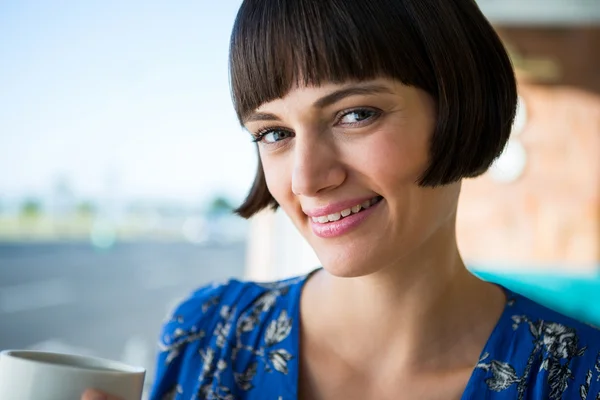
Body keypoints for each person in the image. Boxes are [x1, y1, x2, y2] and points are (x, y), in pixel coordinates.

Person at [82, 0, 600, 399]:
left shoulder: (580, 377)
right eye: (273, 133)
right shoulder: (205, 339)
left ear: (459, 104)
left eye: (355, 114)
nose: (307, 178)